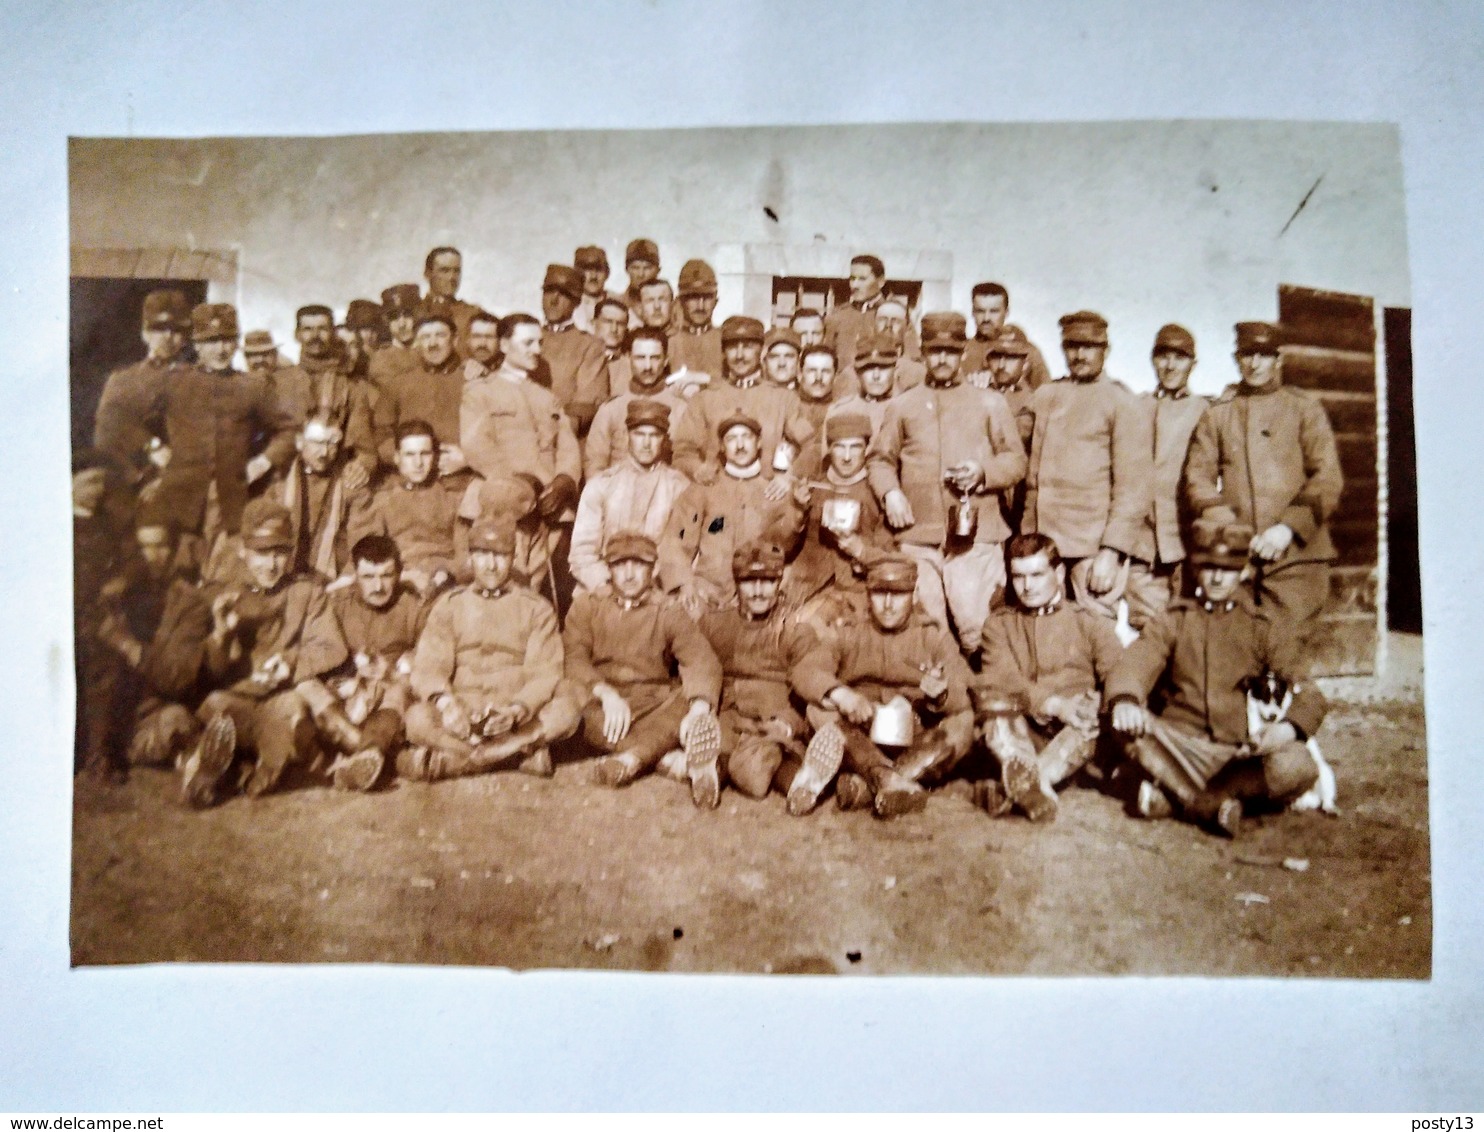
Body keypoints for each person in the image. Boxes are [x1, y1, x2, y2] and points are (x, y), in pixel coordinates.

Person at [1107, 516, 1328, 837]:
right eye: (1209, 567)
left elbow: (1309, 691)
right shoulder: (1175, 619)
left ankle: (1176, 797)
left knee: (1298, 765)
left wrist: (1287, 729)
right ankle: (1211, 806)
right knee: (1127, 727)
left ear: (1242, 570)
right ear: (1196, 568)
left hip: (1235, 755)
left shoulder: (1260, 625)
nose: (1217, 578)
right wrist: (1125, 698)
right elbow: (1138, 661)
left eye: (1227, 568)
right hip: (1177, 743)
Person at [866, 311, 1027, 656]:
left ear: (964, 352)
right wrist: (890, 492)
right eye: (935, 350)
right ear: (922, 351)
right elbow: (880, 459)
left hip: (975, 539)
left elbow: (1016, 460)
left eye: (951, 351)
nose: (942, 359)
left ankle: (993, 700)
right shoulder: (903, 405)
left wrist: (983, 473)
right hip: (917, 538)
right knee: (929, 631)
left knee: (978, 628)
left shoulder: (990, 403)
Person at [1183, 320, 1343, 637]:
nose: (1254, 364)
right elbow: (1197, 478)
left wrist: (1287, 528)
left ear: (1278, 358)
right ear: (1236, 358)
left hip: (1296, 558)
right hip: (1236, 560)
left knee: (1285, 658)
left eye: (1263, 355)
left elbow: (1327, 476)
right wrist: (1232, 529)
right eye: (1246, 354)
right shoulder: (1218, 413)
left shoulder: (1303, 409)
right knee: (1234, 654)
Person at [179, 500, 338, 807]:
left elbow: (332, 648)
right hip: (234, 700)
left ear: (291, 553)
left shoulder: (306, 592)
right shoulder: (221, 596)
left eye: (280, 553)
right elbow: (204, 674)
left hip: (281, 700)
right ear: (243, 551)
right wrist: (221, 635)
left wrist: (291, 661)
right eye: (261, 553)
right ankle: (228, 767)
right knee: (217, 707)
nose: (271, 564)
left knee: (291, 711)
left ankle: (243, 769)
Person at [790, 556, 975, 817]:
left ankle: (872, 784)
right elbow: (806, 669)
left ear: (914, 595)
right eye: (880, 593)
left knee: (964, 720)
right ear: (868, 594)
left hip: (917, 734)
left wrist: (942, 695)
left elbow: (965, 689)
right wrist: (842, 695)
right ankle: (883, 777)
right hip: (861, 733)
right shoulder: (849, 632)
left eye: (898, 594)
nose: (888, 605)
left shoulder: (932, 636)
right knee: (818, 708)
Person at [402, 518, 576, 781]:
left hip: (515, 718)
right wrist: (447, 705)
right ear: (471, 557)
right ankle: (514, 756)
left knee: (568, 708)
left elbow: (544, 673)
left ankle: (460, 761)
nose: (491, 565)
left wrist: (517, 711)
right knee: (416, 717)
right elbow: (429, 666)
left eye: (500, 555)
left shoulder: (535, 608)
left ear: (513, 557)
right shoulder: (449, 605)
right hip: (461, 714)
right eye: (483, 555)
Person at [563, 532, 726, 806]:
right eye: (619, 565)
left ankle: (632, 760)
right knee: (575, 705)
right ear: (608, 568)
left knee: (686, 704)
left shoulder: (668, 611)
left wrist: (698, 708)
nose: (628, 574)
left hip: (653, 704)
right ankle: (666, 759)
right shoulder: (588, 606)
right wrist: (606, 694)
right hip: (605, 705)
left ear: (654, 569)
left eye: (638, 565)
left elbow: (700, 659)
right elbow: (573, 656)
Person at [975, 533, 1125, 822]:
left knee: (1090, 718)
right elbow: (1002, 679)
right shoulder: (1000, 625)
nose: (1027, 586)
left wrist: (1096, 702)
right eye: (1018, 576)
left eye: (1037, 574)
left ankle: (1022, 784)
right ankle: (1033, 785)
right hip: (1026, 731)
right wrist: (1054, 705)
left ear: (1059, 572)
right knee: (996, 711)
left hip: (1074, 735)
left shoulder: (1087, 621)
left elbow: (1119, 672)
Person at [1022, 310, 1153, 620]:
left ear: (1105, 350)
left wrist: (1111, 552)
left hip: (1091, 550)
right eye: (1071, 347)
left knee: (1093, 635)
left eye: (1088, 347)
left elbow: (1133, 489)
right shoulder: (1046, 395)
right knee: (1043, 633)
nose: (1079, 355)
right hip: (1042, 546)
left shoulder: (1122, 403)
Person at [698, 541, 841, 814]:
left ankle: (803, 782)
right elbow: (698, 664)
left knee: (768, 764)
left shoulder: (794, 629)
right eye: (749, 581)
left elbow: (810, 675)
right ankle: (708, 774)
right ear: (737, 584)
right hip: (732, 717)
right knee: (724, 750)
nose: (758, 590)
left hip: (775, 721)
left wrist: (788, 725)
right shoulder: (715, 624)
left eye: (767, 581)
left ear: (778, 583)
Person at [290, 534, 429, 792]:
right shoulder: (336, 604)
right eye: (368, 577)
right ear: (354, 576)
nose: (378, 586)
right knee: (305, 686)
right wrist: (345, 679)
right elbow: (315, 649)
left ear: (399, 572)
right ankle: (370, 756)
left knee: (401, 690)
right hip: (343, 697)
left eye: (386, 575)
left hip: (389, 697)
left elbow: (429, 655)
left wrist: (394, 671)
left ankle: (370, 752)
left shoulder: (413, 605)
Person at [150, 303, 296, 541]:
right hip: (180, 499)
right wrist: (152, 447)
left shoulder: (253, 386)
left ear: (237, 343)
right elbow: (132, 421)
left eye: (228, 340)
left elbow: (287, 431)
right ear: (196, 344)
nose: (221, 349)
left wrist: (263, 461)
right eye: (211, 341)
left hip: (232, 502)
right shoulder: (173, 383)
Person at [89, 507, 215, 776]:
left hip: (152, 714)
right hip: (101, 716)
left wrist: (128, 645)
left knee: (178, 721)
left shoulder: (190, 604)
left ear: (175, 548)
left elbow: (178, 678)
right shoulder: (113, 598)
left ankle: (196, 767)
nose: (152, 557)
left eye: (161, 546)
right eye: (143, 547)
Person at [659, 413, 806, 617]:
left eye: (746, 437)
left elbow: (784, 545)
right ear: (721, 446)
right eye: (731, 439)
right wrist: (684, 584)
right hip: (709, 593)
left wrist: (797, 511)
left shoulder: (775, 491)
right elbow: (677, 540)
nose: (740, 445)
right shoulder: (702, 490)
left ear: (759, 442)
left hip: (758, 592)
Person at [1124, 323, 1211, 628]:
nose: (1170, 365)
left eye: (1180, 357)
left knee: (1188, 631)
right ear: (1152, 360)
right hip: (1143, 546)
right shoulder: (1135, 406)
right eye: (1163, 356)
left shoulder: (1205, 409)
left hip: (1186, 544)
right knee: (1149, 630)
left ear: (1193, 364)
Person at [460, 313, 581, 530]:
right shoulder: (480, 393)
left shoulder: (547, 397)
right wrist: (515, 482)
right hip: (498, 505)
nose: (536, 350)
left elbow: (567, 447)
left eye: (539, 343)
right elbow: (476, 447)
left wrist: (565, 480)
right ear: (505, 345)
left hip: (549, 504)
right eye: (528, 343)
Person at [670, 315, 815, 484]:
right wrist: (698, 470)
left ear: (761, 351)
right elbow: (683, 451)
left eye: (747, 347)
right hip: (717, 494)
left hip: (766, 498)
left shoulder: (783, 399)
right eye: (732, 348)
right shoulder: (704, 399)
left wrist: (790, 477)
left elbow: (811, 445)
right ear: (723, 352)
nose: (740, 355)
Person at [570, 398, 691, 592]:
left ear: (664, 439)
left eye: (654, 436)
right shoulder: (601, 484)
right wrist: (604, 584)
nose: (646, 443)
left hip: (657, 588)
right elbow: (582, 552)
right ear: (628, 436)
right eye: (639, 434)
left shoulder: (679, 488)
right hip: (605, 585)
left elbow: (682, 551)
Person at [348, 419, 463, 597]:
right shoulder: (383, 500)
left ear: (434, 457)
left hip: (446, 583)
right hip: (396, 586)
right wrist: (404, 577)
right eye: (410, 455)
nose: (418, 463)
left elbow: (465, 554)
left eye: (425, 454)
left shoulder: (451, 497)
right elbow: (366, 556)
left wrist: (445, 572)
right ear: (397, 458)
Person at [94, 289, 194, 490]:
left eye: (176, 330)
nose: (168, 336)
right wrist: (150, 445)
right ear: (145, 334)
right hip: (135, 478)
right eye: (159, 329)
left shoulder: (199, 378)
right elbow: (105, 434)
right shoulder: (124, 380)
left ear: (184, 337)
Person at [271, 304, 378, 488]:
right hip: (285, 478)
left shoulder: (349, 388)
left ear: (333, 334)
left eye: (322, 329)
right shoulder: (278, 383)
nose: (315, 336)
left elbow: (365, 450)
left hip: (333, 479)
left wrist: (361, 468)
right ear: (297, 335)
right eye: (308, 329)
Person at [265, 414, 366, 581]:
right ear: (300, 442)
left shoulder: (351, 487)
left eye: (331, 443)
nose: (324, 452)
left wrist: (346, 577)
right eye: (317, 443)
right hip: (284, 579)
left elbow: (361, 542)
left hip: (333, 581)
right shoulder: (278, 488)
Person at [583, 327, 687, 478]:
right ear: (628, 358)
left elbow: (684, 463)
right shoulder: (611, 409)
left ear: (665, 361)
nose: (647, 366)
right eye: (640, 357)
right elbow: (594, 464)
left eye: (655, 358)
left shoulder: (681, 409)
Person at [377, 309, 467, 475]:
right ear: (417, 343)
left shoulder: (472, 381)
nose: (432, 344)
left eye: (440, 335)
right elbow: (381, 434)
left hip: (462, 476)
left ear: (455, 340)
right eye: (425, 337)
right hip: (410, 478)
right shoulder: (398, 384)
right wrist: (405, 460)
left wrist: (468, 458)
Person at [539, 263, 609, 435]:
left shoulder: (590, 346)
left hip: (561, 441)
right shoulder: (525, 338)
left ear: (576, 302)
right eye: (549, 291)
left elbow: (584, 406)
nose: (554, 300)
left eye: (564, 295)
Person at [961, 282, 1051, 388]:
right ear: (973, 312)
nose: (986, 318)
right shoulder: (961, 351)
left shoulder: (1026, 351)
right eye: (980, 311)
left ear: (1006, 312)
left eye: (994, 311)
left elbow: (1045, 393)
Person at [827, 334, 901, 440]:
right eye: (868, 368)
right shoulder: (841, 411)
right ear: (857, 372)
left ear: (896, 370)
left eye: (883, 367)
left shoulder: (909, 410)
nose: (876, 376)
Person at [824, 254, 890, 368]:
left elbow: (911, 362)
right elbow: (825, 360)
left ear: (881, 282)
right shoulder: (837, 317)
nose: (854, 285)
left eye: (862, 279)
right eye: (852, 278)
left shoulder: (895, 315)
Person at [669, 258, 723, 381]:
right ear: (681, 301)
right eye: (693, 297)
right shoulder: (669, 342)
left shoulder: (725, 341)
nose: (700, 306)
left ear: (716, 301)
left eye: (707, 298)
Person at [421, 246, 483, 351]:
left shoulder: (473, 315)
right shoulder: (413, 313)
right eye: (444, 270)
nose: (451, 277)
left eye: (456, 271)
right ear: (428, 274)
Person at [368, 283, 421, 387]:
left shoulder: (429, 350)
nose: (402, 324)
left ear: (418, 315)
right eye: (394, 317)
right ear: (387, 322)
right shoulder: (381, 359)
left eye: (407, 315)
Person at [794, 343, 841, 437]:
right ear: (799, 375)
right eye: (812, 370)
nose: (818, 377)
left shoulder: (843, 410)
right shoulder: (786, 407)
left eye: (826, 371)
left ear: (835, 377)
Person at [592, 296, 634, 396]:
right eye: (608, 321)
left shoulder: (632, 368)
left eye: (620, 324)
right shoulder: (579, 359)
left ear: (626, 329)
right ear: (594, 323)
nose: (614, 329)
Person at [572, 244, 613, 334]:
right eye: (588, 270)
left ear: (607, 273)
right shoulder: (570, 305)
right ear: (577, 273)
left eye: (599, 270)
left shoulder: (618, 301)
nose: (593, 276)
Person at [621, 237, 662, 325]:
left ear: (658, 270)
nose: (641, 274)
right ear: (626, 270)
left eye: (647, 268)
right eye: (635, 268)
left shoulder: (669, 307)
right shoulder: (617, 305)